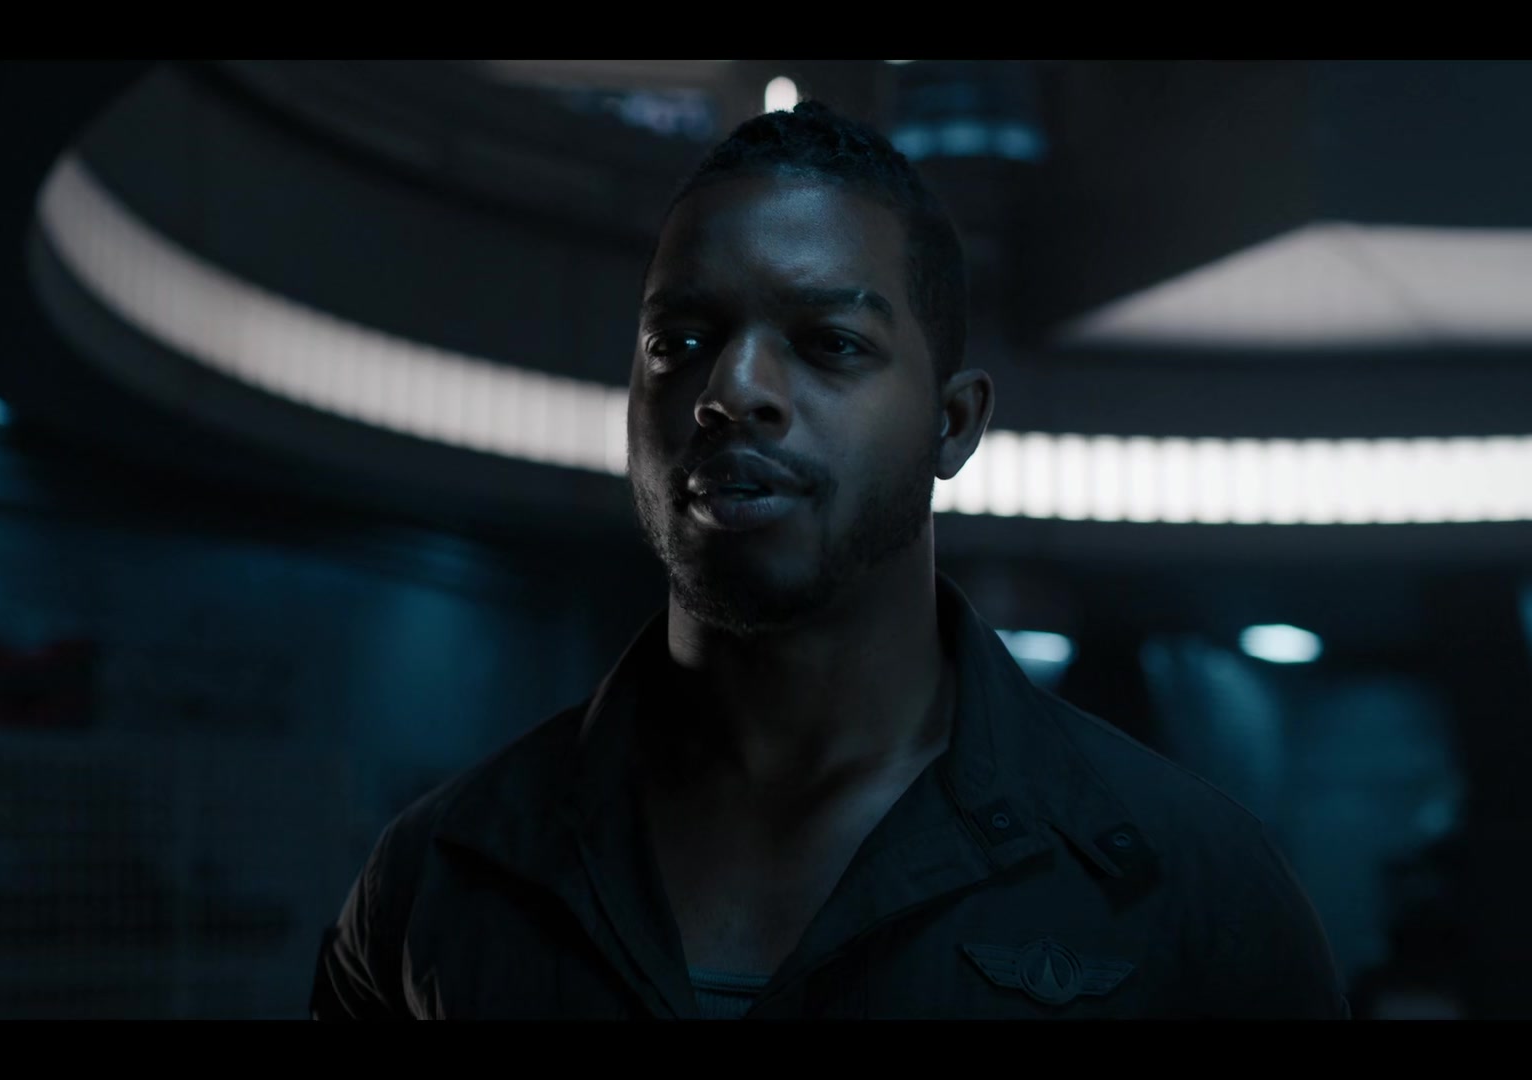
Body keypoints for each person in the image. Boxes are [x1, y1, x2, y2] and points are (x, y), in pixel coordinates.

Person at [310, 101, 1348, 1019]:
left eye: (829, 343)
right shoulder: (438, 877)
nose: (734, 391)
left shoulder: (1189, 891)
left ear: (953, 423)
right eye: (681, 342)